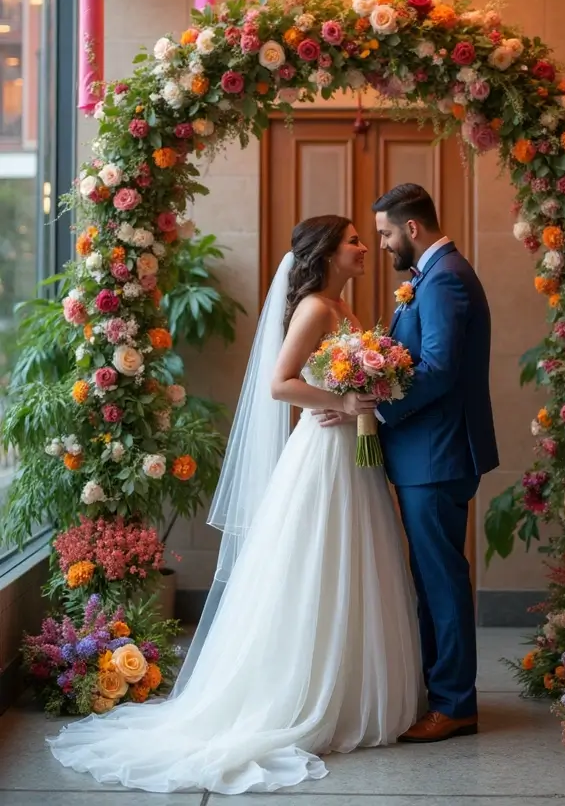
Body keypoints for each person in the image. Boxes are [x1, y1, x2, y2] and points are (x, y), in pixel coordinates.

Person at [49, 215, 423, 796]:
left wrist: (366, 396)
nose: (362, 248)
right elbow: (281, 383)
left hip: (352, 454)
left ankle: (351, 689)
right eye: (352, 240)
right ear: (327, 252)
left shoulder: (343, 309)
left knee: (357, 565)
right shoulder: (316, 310)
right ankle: (303, 692)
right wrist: (346, 401)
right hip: (323, 454)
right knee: (318, 567)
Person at [319, 184, 499, 743]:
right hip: (428, 453)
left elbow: (440, 369)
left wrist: (376, 404)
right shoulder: (434, 275)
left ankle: (454, 703)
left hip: (438, 454)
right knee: (431, 577)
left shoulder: (444, 277)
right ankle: (437, 691)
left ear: (412, 229)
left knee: (441, 580)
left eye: (386, 233)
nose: (383, 243)